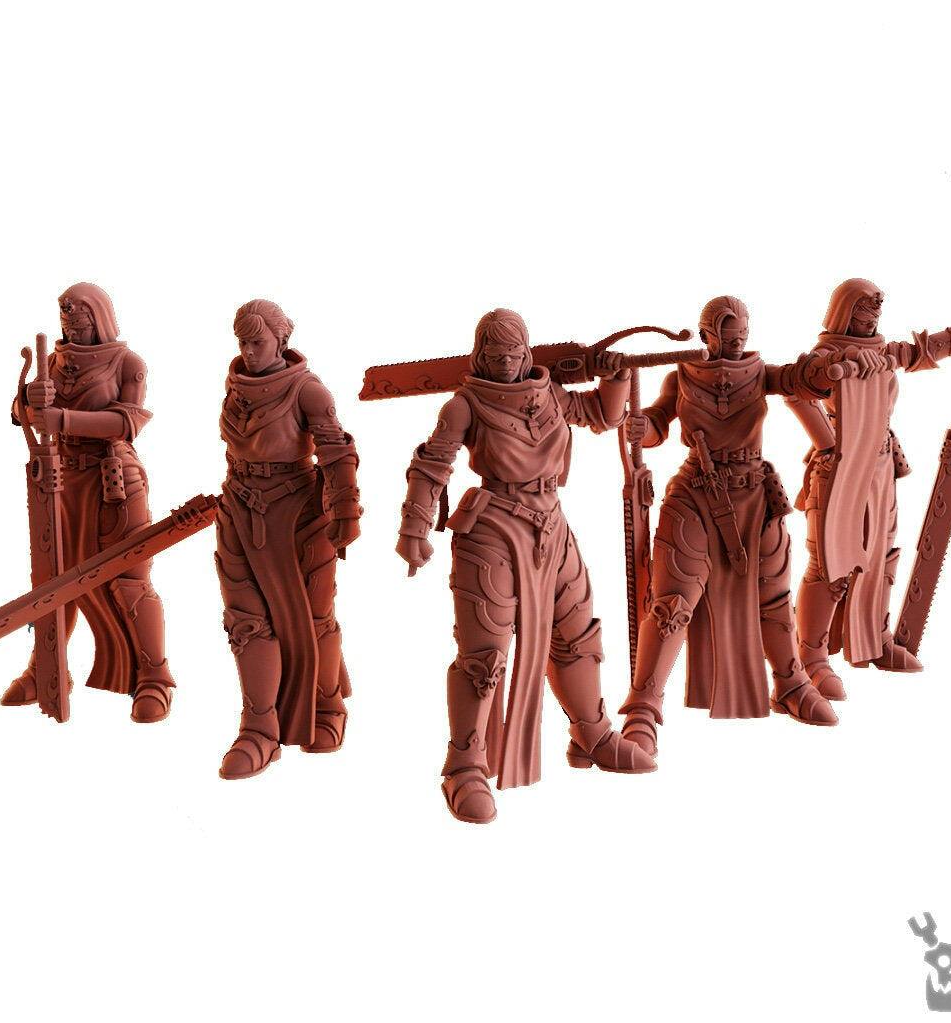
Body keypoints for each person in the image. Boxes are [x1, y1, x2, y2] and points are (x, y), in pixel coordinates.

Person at [397, 308, 655, 825]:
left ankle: (592, 733)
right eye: (495, 356)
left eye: (514, 355)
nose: (506, 364)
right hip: (492, 528)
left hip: (551, 524)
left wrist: (616, 376)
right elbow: (432, 465)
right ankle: (465, 765)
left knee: (577, 633)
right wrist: (414, 529)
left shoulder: (550, 393)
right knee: (484, 654)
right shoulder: (465, 405)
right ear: (481, 356)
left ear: (528, 353)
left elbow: (602, 416)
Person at [619, 295, 842, 757]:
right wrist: (642, 428)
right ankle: (643, 707)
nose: (737, 340)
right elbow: (659, 420)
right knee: (672, 601)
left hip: (755, 493)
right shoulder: (681, 374)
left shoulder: (760, 373)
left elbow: (799, 380)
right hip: (696, 491)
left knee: (774, 597)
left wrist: (822, 370)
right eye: (727, 332)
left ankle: (790, 683)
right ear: (707, 334)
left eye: (742, 332)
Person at [791, 278, 951, 697]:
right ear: (844, 312)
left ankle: (875, 639)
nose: (871, 319)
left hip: (881, 467)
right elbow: (797, 393)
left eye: (876, 312)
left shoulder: (881, 353)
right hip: (838, 472)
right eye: (863, 312)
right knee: (830, 562)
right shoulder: (824, 358)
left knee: (879, 556)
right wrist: (829, 444)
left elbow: (922, 351)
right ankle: (811, 657)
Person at [4, 282, 176, 722]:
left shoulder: (127, 364)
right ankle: (45, 669)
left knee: (130, 579)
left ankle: (154, 678)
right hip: (59, 480)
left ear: (98, 318)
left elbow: (126, 423)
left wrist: (60, 417)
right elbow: (23, 415)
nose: (72, 329)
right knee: (53, 579)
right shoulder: (53, 363)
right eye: (66, 322)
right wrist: (27, 402)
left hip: (114, 481)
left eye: (80, 321)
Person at [216, 300, 362, 779]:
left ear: (281, 339)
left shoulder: (307, 390)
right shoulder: (236, 386)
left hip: (299, 514)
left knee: (315, 617)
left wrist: (346, 511)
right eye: (243, 342)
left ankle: (327, 706)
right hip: (241, 510)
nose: (249, 351)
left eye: (257, 342)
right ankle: (259, 728)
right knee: (245, 622)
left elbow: (337, 451)